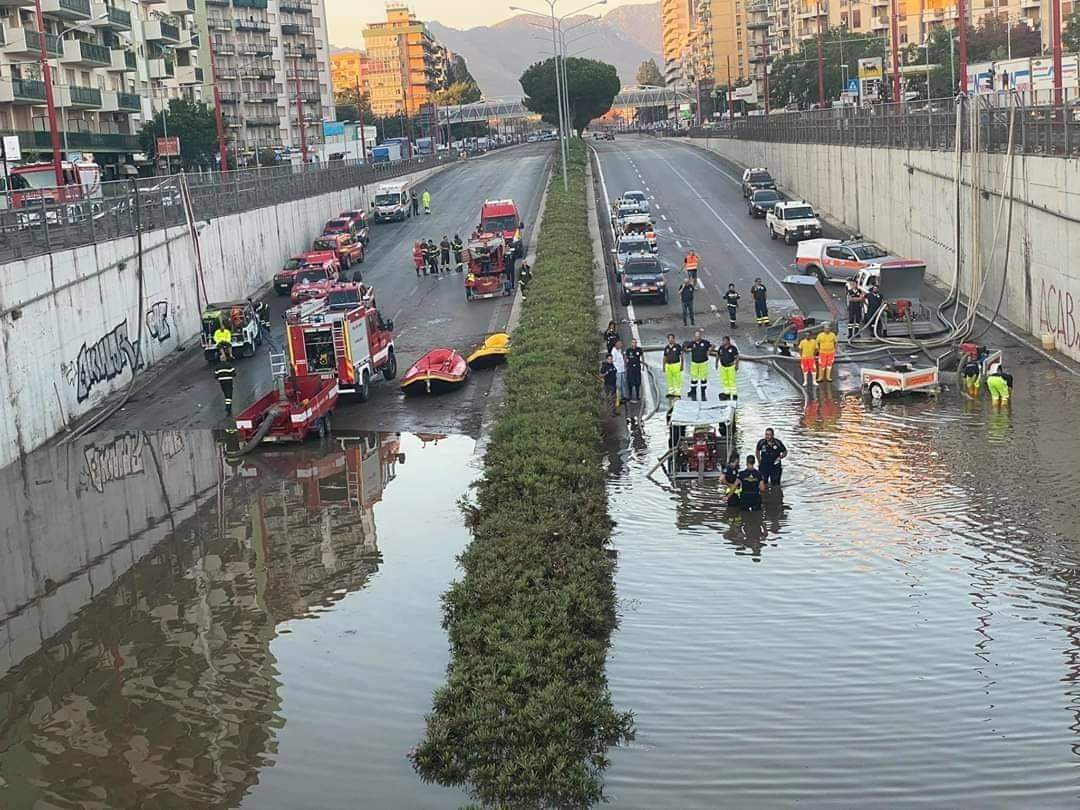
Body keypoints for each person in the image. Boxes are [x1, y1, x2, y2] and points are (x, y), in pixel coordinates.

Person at [685, 329, 713, 401]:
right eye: (696, 336)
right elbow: (686, 348)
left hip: (703, 363)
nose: (697, 337)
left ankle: (703, 393)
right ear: (694, 337)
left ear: (700, 336)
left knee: (703, 378)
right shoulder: (692, 343)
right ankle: (693, 392)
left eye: (698, 336)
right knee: (694, 378)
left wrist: (709, 351)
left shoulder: (705, 342)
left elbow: (712, 346)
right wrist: (687, 350)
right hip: (694, 363)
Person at [716, 335, 739, 400]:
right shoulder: (721, 348)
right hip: (723, 367)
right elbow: (718, 355)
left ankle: (734, 394)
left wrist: (737, 365)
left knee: (731, 380)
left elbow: (737, 357)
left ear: (728, 341)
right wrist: (716, 364)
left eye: (724, 340)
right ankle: (727, 393)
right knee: (725, 380)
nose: (723, 342)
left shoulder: (733, 348)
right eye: (723, 340)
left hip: (731, 367)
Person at [662, 333, 684, 397]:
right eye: (669, 338)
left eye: (672, 338)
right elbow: (664, 357)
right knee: (669, 379)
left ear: (674, 339)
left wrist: (682, 365)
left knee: (677, 379)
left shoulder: (678, 346)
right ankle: (670, 392)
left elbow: (681, 356)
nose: (671, 340)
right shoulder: (666, 348)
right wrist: (663, 366)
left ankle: (677, 393)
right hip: (668, 365)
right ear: (668, 339)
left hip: (676, 364)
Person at [625, 337, 644, 403]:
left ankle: (637, 395)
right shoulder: (628, 350)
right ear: (631, 343)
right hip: (630, 368)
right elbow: (626, 358)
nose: (634, 344)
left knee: (637, 382)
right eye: (633, 342)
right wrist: (626, 366)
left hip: (637, 368)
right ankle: (630, 395)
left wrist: (643, 365)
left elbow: (642, 356)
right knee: (630, 382)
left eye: (635, 342)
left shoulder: (639, 350)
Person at [611, 339, 627, 409]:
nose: (621, 345)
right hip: (618, 371)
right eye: (619, 344)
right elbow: (613, 361)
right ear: (616, 344)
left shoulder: (620, 350)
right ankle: (618, 399)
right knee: (619, 385)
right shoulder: (613, 352)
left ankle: (623, 397)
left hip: (622, 370)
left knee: (623, 384)